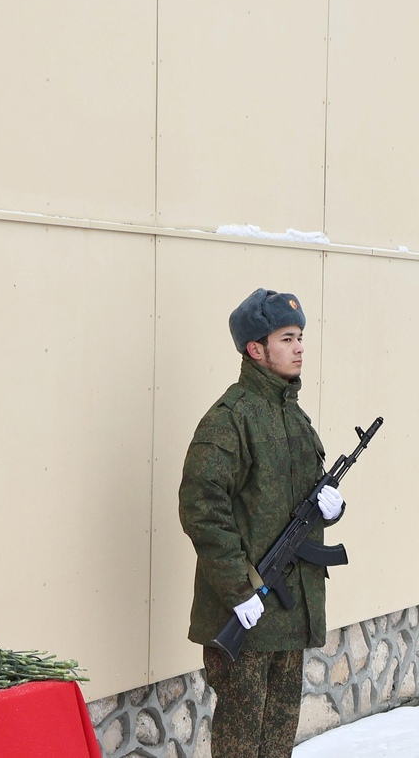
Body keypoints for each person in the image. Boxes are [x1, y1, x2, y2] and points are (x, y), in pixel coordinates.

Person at [179, 288, 344, 758]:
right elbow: (201, 509)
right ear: (256, 348)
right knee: (240, 744)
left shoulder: (294, 416)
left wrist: (332, 507)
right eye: (287, 338)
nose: (299, 347)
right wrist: (239, 590)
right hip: (245, 614)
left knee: (276, 741)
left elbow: (302, 499)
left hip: (288, 615)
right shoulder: (229, 420)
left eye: (301, 337)